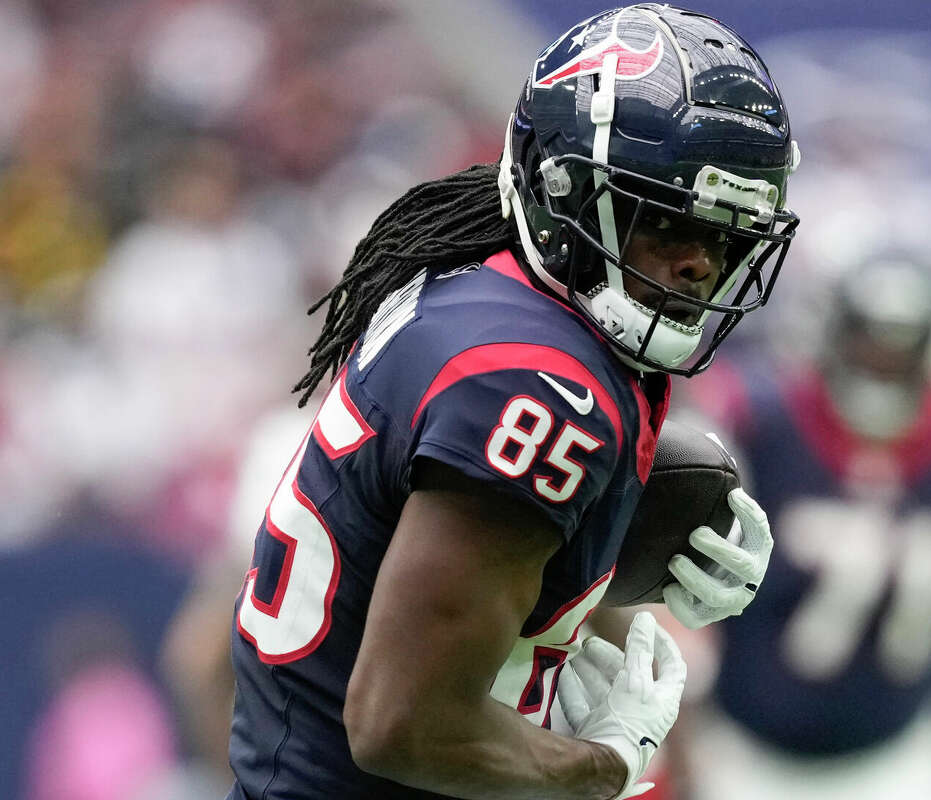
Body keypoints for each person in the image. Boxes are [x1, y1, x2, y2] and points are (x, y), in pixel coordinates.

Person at [226, 5, 798, 800]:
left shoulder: (486, 279)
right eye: (666, 220)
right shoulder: (538, 390)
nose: (700, 264)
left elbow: (434, 545)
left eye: (728, 234)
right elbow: (405, 723)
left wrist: (624, 550)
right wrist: (609, 763)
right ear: (561, 187)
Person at [677, 255, 931, 800]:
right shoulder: (761, 425)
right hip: (747, 751)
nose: (882, 365)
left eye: (900, 352)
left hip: (901, 754)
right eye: (870, 344)